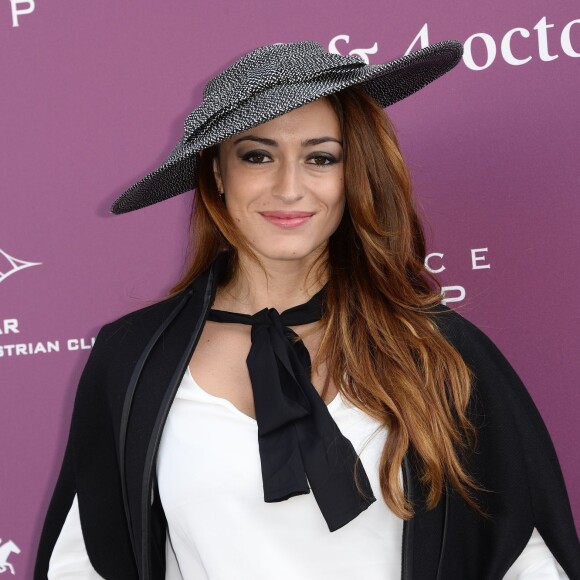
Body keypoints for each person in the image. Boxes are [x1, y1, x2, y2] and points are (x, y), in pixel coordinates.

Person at [34, 40, 579, 580]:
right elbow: (84, 564)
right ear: (218, 175)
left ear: (353, 174)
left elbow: (525, 556)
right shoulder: (129, 359)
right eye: (257, 156)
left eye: (320, 158)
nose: (289, 187)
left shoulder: (438, 348)